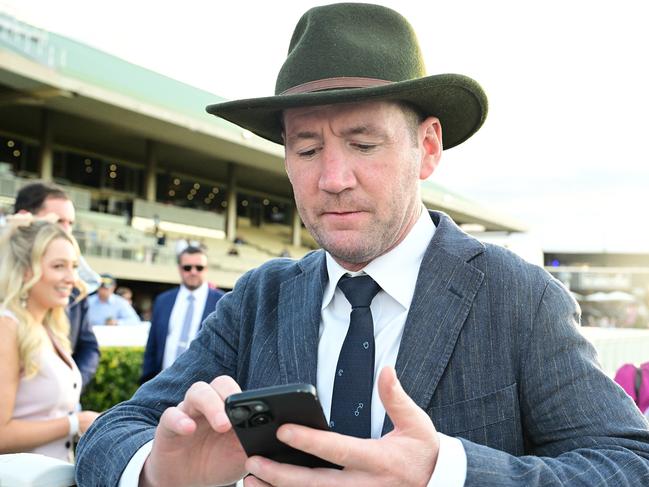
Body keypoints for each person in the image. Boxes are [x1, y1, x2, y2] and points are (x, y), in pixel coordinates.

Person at [76, 4, 649, 486]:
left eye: (364, 144)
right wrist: (158, 470)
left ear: (427, 148)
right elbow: (115, 430)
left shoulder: (518, 297)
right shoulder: (260, 298)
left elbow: (629, 463)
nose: (332, 178)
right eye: (306, 150)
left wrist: (446, 472)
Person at [0, 218, 99, 461]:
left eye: (74, 266)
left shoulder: (49, 327)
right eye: (58, 266)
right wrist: (75, 422)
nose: (71, 278)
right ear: (26, 271)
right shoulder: (6, 327)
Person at [13, 181, 100, 389]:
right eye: (58, 221)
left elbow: (88, 346)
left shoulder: (75, 284)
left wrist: (69, 385)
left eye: (70, 223)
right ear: (25, 219)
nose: (66, 231)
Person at [140, 246, 224, 384]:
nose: (193, 272)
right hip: (161, 384)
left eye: (199, 267)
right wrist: (146, 381)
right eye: (187, 268)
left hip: (204, 387)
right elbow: (152, 345)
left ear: (206, 269)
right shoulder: (163, 300)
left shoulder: (221, 302)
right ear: (179, 269)